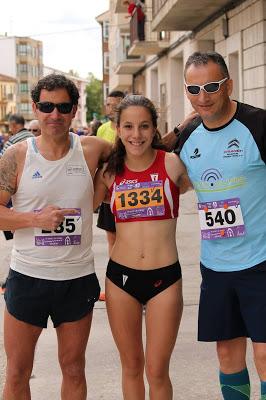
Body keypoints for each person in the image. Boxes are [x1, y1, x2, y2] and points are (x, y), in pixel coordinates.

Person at [0, 73, 111, 400]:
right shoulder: (17, 156)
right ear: (35, 107)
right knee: (18, 371)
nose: (55, 115)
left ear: (74, 109)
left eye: (63, 107)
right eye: (47, 106)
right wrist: (35, 219)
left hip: (76, 279)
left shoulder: (91, 149)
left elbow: (139, 148)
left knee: (74, 367)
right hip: (28, 277)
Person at [173, 51, 266, 400]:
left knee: (264, 354)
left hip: (261, 261)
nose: (203, 96)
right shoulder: (186, 137)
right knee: (227, 353)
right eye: (194, 89)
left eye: (211, 86)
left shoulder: (258, 125)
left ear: (229, 84)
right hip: (216, 266)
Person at [94, 94, 190, 400]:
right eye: (129, 126)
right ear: (118, 129)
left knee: (157, 370)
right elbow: (81, 204)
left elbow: (211, 189)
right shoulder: (109, 173)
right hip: (121, 278)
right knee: (132, 367)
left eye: (144, 126)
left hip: (165, 278)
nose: (137, 135)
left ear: (155, 128)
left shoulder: (172, 164)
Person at [96, 90, 125, 256]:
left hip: (127, 189)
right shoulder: (101, 129)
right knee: (111, 237)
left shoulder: (128, 128)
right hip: (107, 192)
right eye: (108, 105)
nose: (111, 108)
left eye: (116, 105)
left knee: (128, 236)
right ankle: (114, 270)